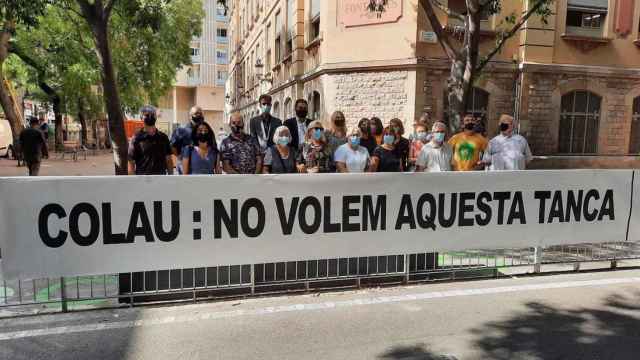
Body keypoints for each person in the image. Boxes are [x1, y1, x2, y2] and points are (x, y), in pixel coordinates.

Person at [128, 106, 173, 175]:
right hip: (143, 181)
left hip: (161, 180)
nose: (150, 116)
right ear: (141, 118)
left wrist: (171, 178)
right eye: (147, 115)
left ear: (156, 117)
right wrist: (134, 183)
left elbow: (168, 160)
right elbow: (131, 163)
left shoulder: (163, 137)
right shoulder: (136, 139)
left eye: (152, 114)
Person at [170, 106, 216, 174]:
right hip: (185, 168)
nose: (199, 115)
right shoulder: (181, 130)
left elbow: (213, 146)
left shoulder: (208, 131)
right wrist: (180, 156)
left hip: (202, 168)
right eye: (196, 113)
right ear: (190, 116)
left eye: (201, 113)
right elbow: (172, 146)